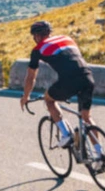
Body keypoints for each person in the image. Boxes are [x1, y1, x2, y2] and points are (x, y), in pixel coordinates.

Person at [19, 20, 99, 153]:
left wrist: (26, 96)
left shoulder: (37, 49)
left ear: (37, 36)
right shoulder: (67, 38)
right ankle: (100, 153)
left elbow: (31, 77)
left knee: (49, 99)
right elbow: (69, 60)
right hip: (87, 76)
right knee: (86, 117)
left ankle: (66, 135)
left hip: (69, 81)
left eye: (34, 36)